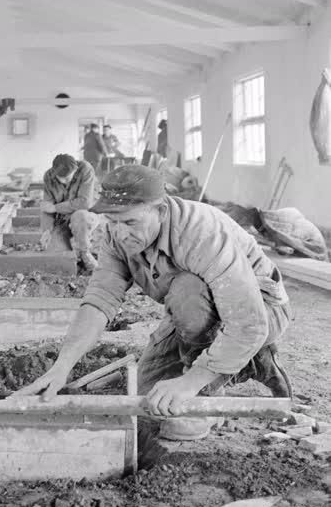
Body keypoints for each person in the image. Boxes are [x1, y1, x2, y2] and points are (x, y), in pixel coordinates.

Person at [17, 165, 293, 440]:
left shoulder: (200, 233)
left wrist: (191, 382)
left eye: (130, 222)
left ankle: (221, 381)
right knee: (147, 398)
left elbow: (248, 322)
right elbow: (100, 300)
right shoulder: (117, 235)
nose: (120, 233)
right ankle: (222, 365)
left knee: (187, 287)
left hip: (260, 312)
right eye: (112, 222)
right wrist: (62, 366)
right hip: (194, 313)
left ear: (160, 211)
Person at [41, 154, 100, 271]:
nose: (63, 181)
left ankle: (85, 252)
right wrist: (46, 231)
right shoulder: (48, 176)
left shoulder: (85, 169)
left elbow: (84, 203)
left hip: (85, 216)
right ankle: (72, 253)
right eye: (59, 177)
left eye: (67, 178)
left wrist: (55, 208)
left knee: (80, 216)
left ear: (75, 170)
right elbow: (47, 206)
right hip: (63, 219)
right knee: (58, 253)